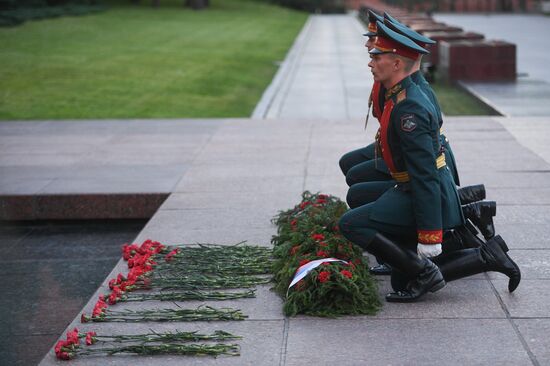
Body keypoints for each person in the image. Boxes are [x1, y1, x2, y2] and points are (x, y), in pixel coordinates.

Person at [338, 21, 520, 302]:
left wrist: (430, 235)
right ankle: (479, 249)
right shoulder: (401, 93)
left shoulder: (409, 106)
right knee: (401, 277)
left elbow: (425, 176)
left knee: (352, 224)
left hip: (424, 190)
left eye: (377, 55)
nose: (370, 60)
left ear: (397, 63)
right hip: (412, 188)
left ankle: (448, 248)